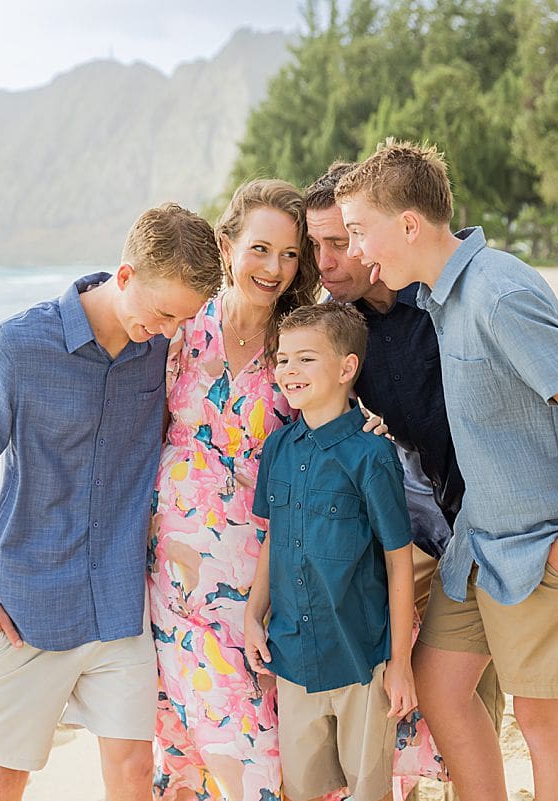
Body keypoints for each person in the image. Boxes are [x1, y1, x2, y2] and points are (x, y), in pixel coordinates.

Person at [336, 141, 558, 801]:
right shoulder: (447, 294)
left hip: (545, 543)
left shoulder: (495, 289)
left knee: (544, 718)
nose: (355, 252)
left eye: (359, 231)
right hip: (478, 539)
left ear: (408, 224)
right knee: (441, 686)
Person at [0, 203, 224, 801]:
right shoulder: (18, 347)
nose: (171, 331)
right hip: (25, 609)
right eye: (162, 312)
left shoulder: (160, 348)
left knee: (131, 772)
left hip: (119, 607)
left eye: (184, 317)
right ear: (124, 277)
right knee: (3, 779)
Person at [147, 179, 324, 800]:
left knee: (253, 751)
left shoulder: (299, 345)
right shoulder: (182, 325)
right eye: (260, 249)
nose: (275, 268)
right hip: (168, 578)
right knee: (182, 748)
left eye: (290, 254)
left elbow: (324, 448)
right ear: (227, 246)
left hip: (253, 579)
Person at [244, 302, 416, 801]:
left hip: (361, 655)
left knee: (369, 789)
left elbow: (398, 559)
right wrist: (255, 615)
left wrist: (399, 662)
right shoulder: (278, 448)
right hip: (293, 653)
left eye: (305, 359)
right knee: (302, 787)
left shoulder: (371, 454)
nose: (289, 371)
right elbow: (274, 536)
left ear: (346, 369)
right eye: (282, 360)